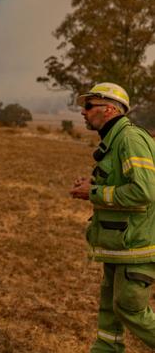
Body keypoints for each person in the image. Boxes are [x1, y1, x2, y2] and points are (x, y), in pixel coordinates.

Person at [70, 82, 155, 352]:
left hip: (138, 247)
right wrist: (91, 187)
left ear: (108, 109)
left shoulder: (130, 139)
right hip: (118, 246)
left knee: (128, 308)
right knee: (110, 317)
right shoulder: (114, 140)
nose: (83, 112)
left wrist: (94, 192)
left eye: (88, 106)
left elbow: (144, 191)